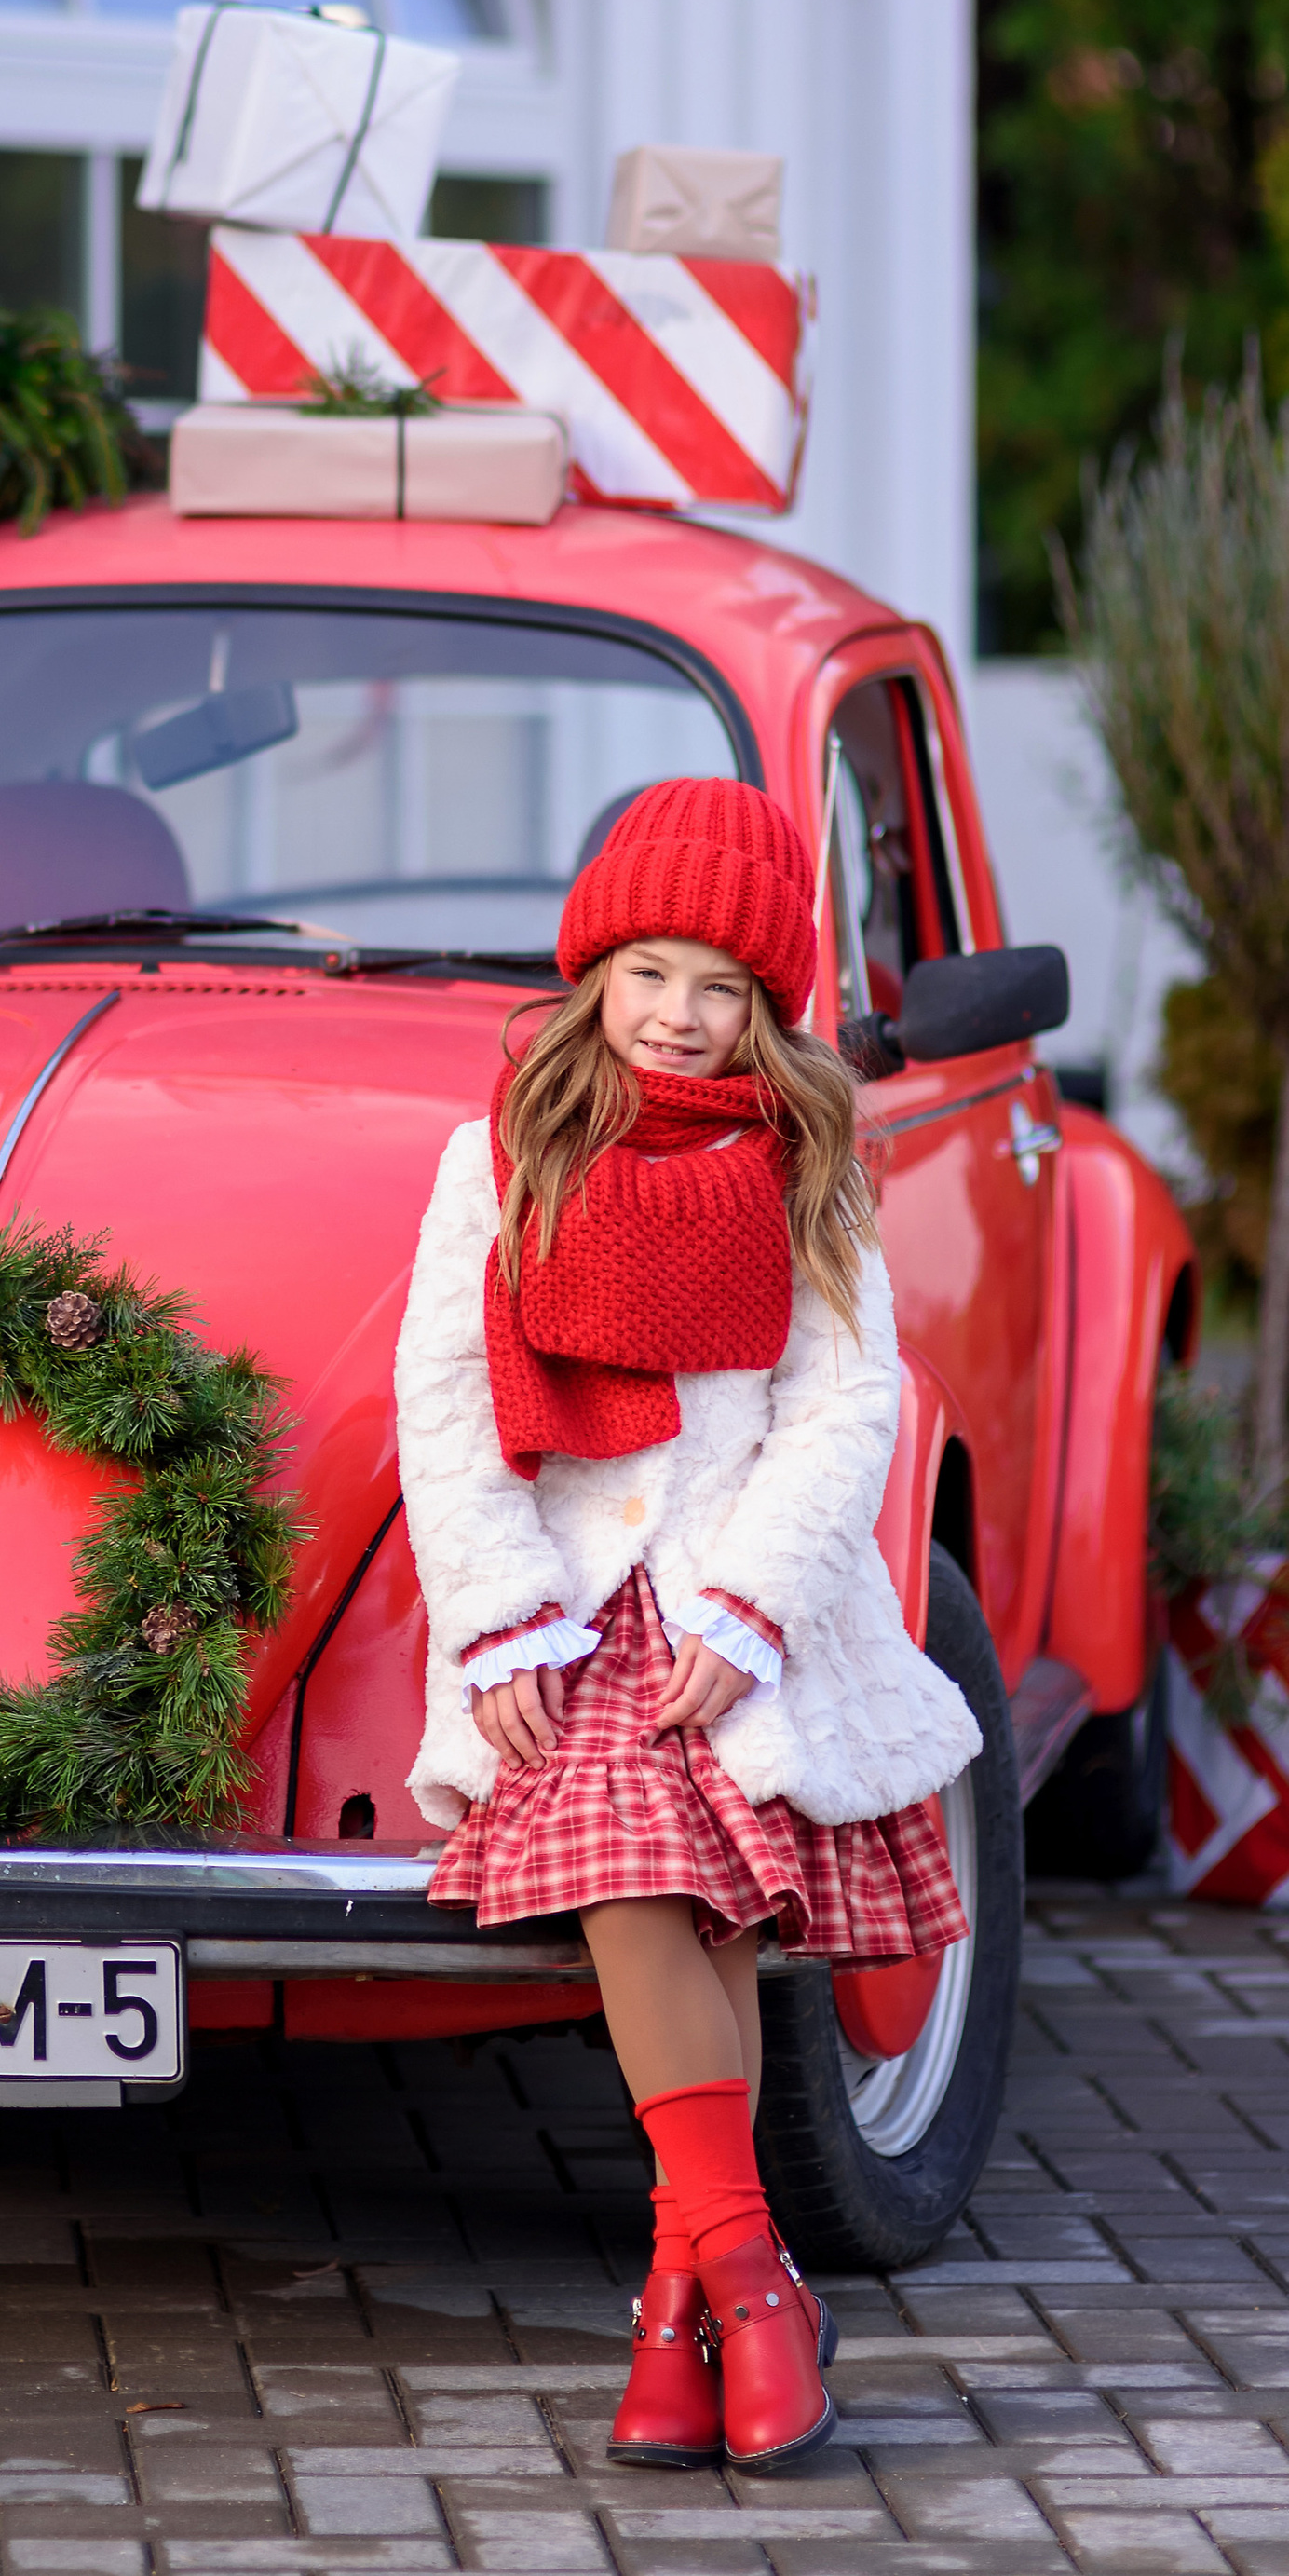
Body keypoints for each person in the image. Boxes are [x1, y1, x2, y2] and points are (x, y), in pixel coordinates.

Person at [390, 777, 976, 2475]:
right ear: (596, 969)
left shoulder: (809, 1164)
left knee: (709, 1881)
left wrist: (750, 1603)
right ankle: (753, 2280)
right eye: (652, 971)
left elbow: (848, 1397)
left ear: (766, 1004)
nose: (682, 1014)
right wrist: (499, 1618)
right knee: (636, 1867)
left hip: (740, 1609)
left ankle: (677, 2315)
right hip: (566, 1611)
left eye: (722, 985)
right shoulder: (494, 1154)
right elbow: (441, 1393)